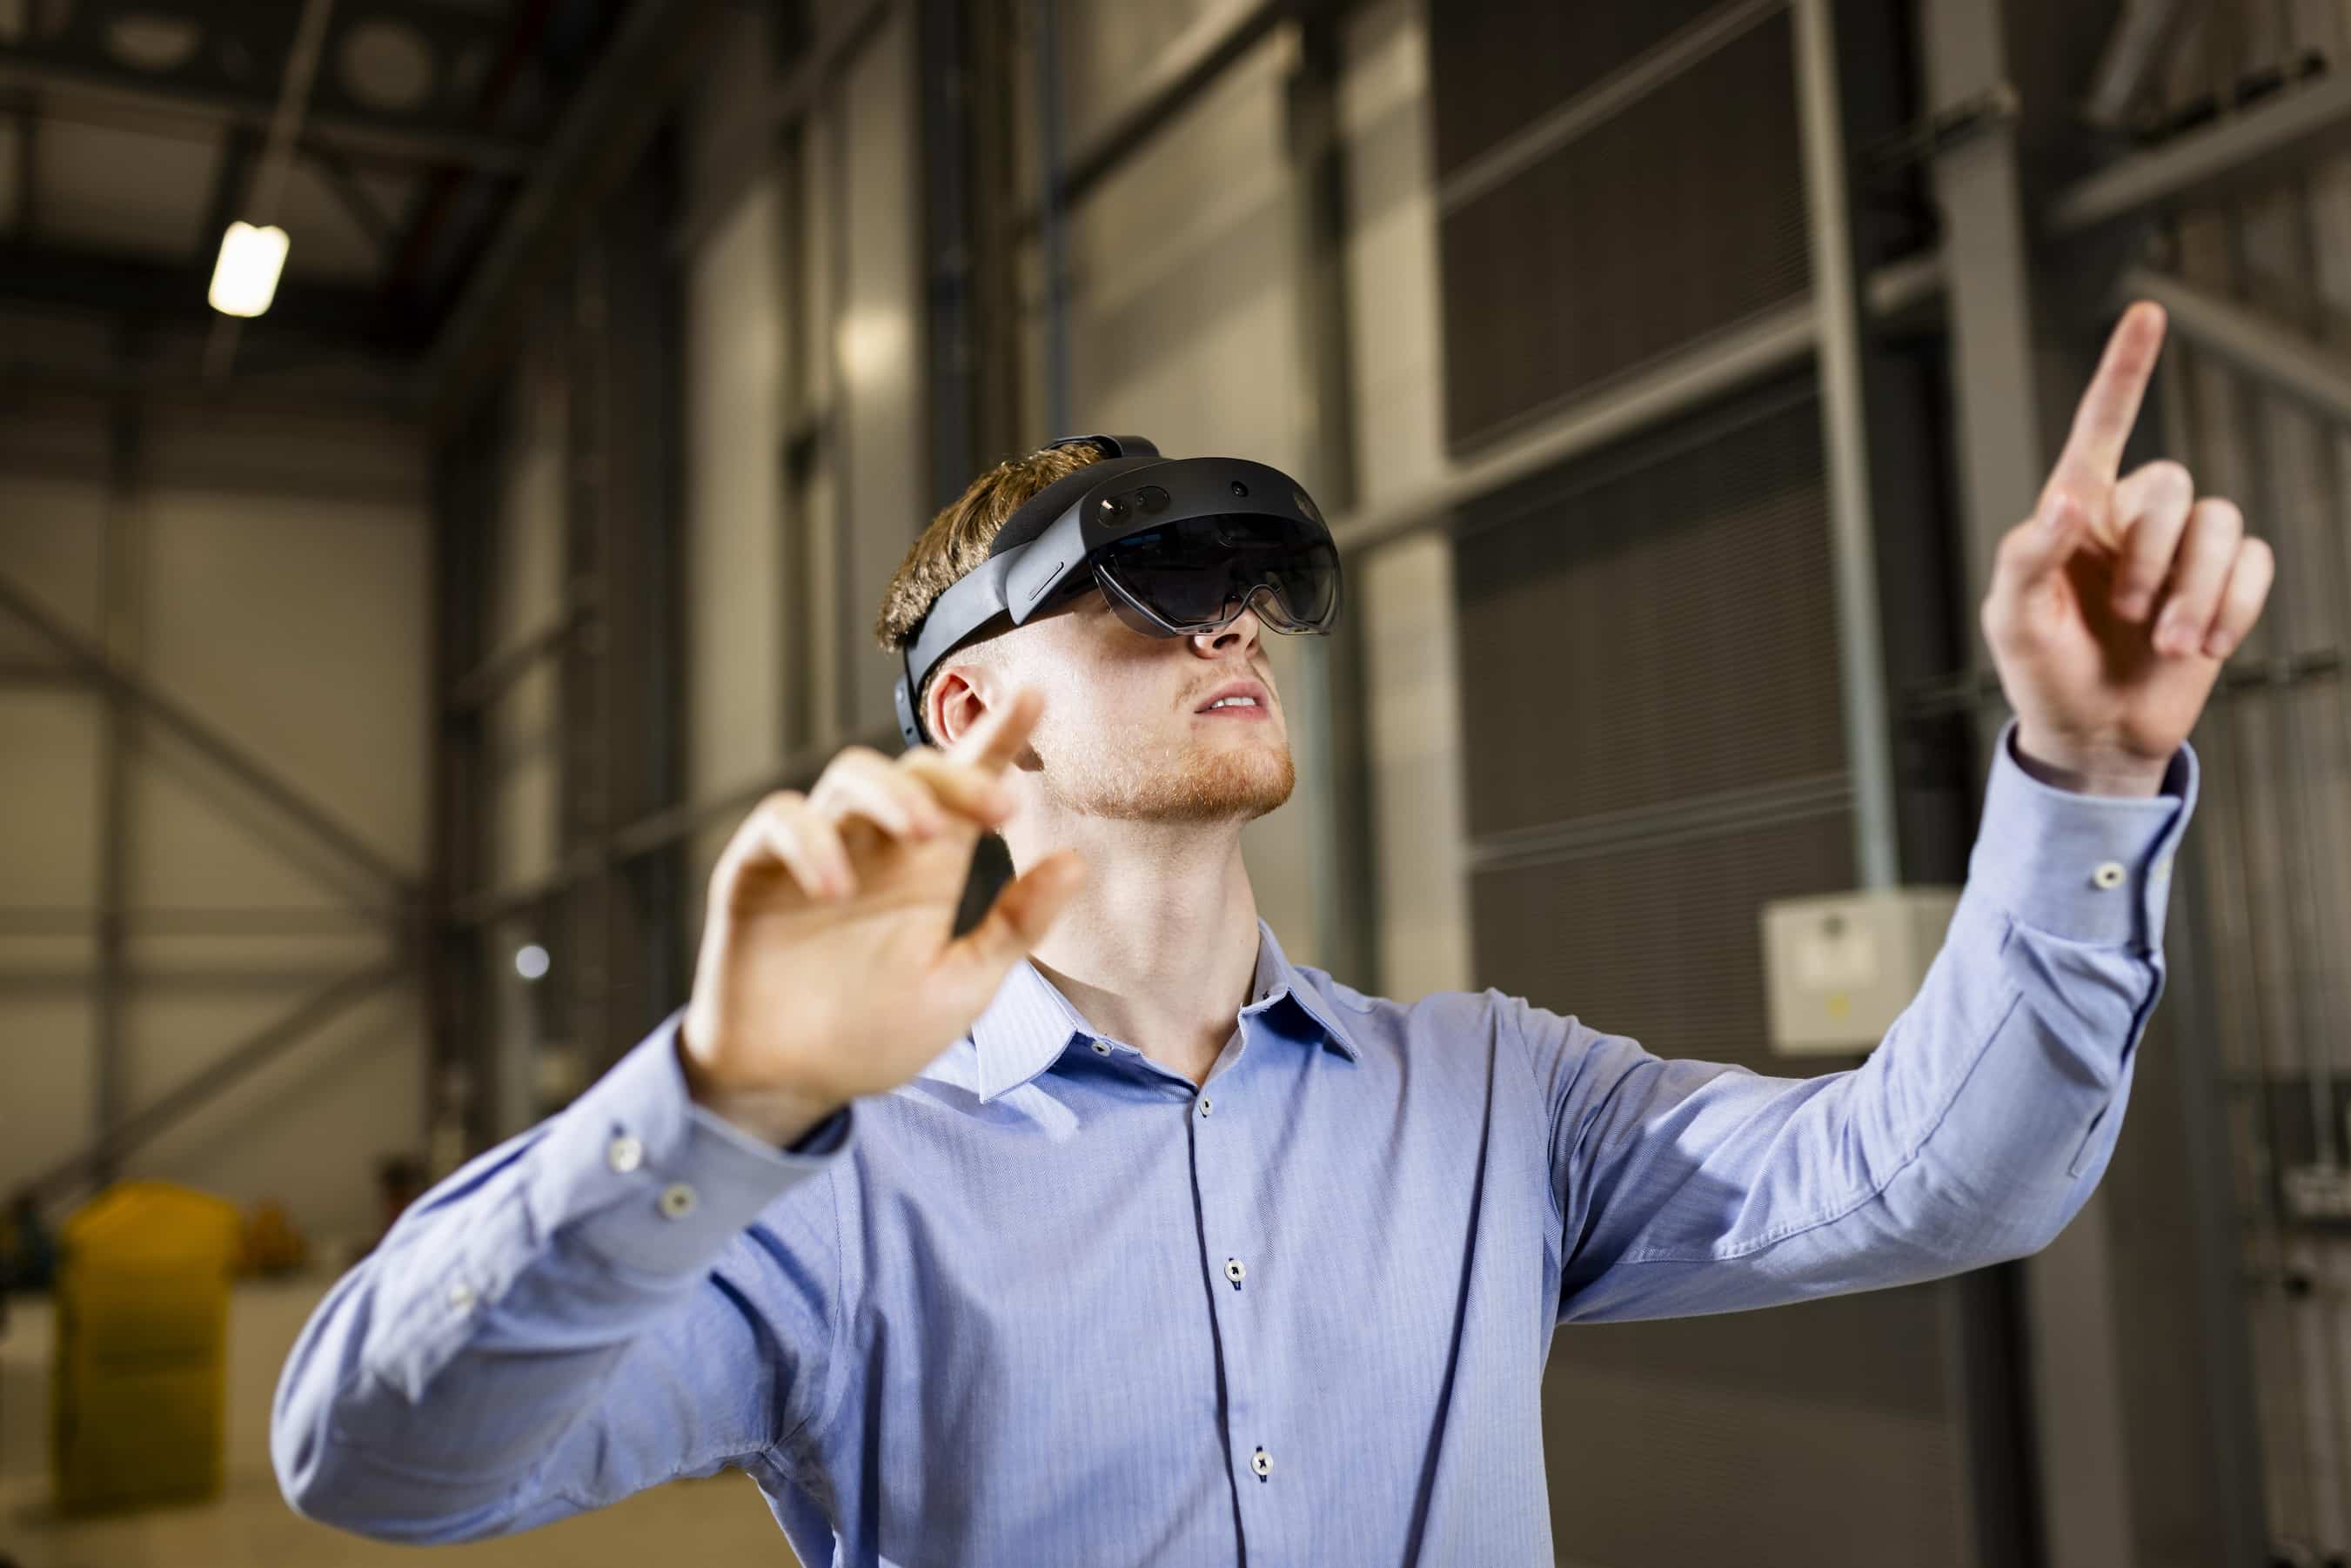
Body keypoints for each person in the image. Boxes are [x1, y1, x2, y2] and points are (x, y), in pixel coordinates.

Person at [272, 303, 2269, 1565]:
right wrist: (721, 1106)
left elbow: (1936, 1184)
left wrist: (2081, 778)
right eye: (1146, 583)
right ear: (971, 710)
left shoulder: (1496, 1092)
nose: (1230, 621)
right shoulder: (832, 1183)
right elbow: (379, 1460)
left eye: (1248, 585)